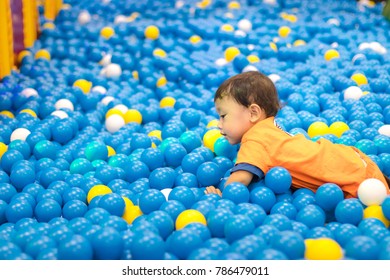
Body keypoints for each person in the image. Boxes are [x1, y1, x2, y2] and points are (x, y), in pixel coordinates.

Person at [205, 71, 390, 198]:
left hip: (355, 182)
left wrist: (223, 196)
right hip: (353, 159)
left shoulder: (254, 140)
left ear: (253, 113)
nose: (218, 124)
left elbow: (240, 180)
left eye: (223, 116)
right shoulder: (270, 127)